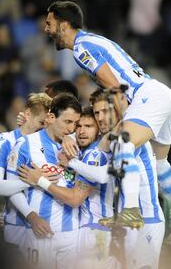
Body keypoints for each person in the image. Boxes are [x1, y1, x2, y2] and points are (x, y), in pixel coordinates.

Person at [45, 1, 171, 238]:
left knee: (121, 142)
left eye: (49, 23)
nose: (46, 29)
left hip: (147, 98)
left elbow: (116, 86)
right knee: (160, 165)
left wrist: (120, 122)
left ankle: (131, 211)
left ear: (64, 25)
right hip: (161, 95)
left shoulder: (81, 48)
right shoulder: (92, 41)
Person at [59, 89, 165, 268]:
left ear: (116, 110)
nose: (100, 118)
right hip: (126, 221)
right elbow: (90, 136)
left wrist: (72, 163)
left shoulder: (130, 137)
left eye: (105, 112)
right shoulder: (112, 138)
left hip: (147, 220)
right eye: (97, 113)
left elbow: (102, 175)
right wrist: (67, 137)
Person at [18, 106, 116, 268]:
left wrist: (40, 180)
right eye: (79, 126)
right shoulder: (84, 150)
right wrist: (66, 138)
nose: (82, 131)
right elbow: (59, 129)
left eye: (89, 126)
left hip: (95, 230)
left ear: (99, 131)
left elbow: (75, 198)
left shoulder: (94, 155)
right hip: (91, 229)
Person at [6, 93, 82, 268]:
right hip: (40, 230)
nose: (72, 129)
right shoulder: (25, 144)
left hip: (71, 233)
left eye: (75, 123)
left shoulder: (79, 147)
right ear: (51, 117)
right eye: (68, 122)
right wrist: (32, 217)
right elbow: (10, 187)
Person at [0, 93, 53, 250]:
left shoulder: (51, 146)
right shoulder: (5, 141)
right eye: (41, 123)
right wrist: (32, 180)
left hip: (49, 227)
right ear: (28, 114)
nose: (44, 128)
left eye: (47, 124)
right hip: (17, 228)